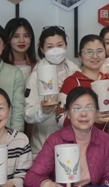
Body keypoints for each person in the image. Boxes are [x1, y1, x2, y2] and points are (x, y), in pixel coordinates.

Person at [24, 87, 109, 187]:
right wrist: (46, 184)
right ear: (67, 112)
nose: (83, 114)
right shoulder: (55, 140)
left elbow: (108, 176)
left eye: (89, 108)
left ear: (96, 112)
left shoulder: (105, 140)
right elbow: (32, 176)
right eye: (77, 109)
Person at [24, 26, 81, 157]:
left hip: (73, 140)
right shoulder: (35, 76)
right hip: (44, 142)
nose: (55, 50)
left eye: (59, 45)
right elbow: (27, 114)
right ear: (42, 49)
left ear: (66, 46)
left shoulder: (76, 71)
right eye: (50, 47)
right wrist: (43, 111)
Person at [58, 34, 109, 130]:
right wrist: (91, 117)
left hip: (107, 138)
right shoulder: (71, 82)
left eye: (99, 51)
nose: (95, 56)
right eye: (89, 52)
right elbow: (59, 118)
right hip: (79, 138)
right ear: (80, 56)